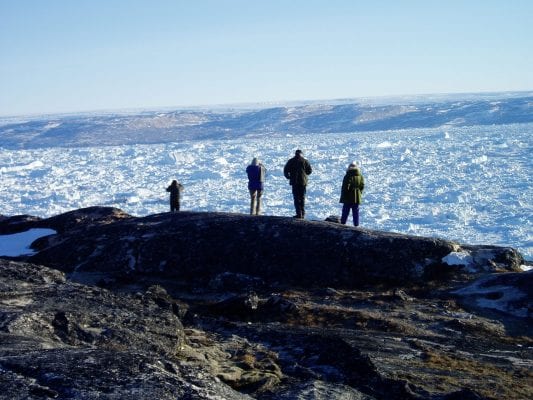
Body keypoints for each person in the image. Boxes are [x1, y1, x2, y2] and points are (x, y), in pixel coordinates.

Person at [283, 149, 312, 219]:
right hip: (303, 182)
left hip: (295, 182)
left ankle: (299, 214)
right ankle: (303, 214)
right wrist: (304, 174)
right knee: (302, 198)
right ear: (301, 154)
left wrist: (288, 176)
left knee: (296, 198)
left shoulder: (291, 161)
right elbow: (309, 171)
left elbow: (285, 170)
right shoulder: (305, 161)